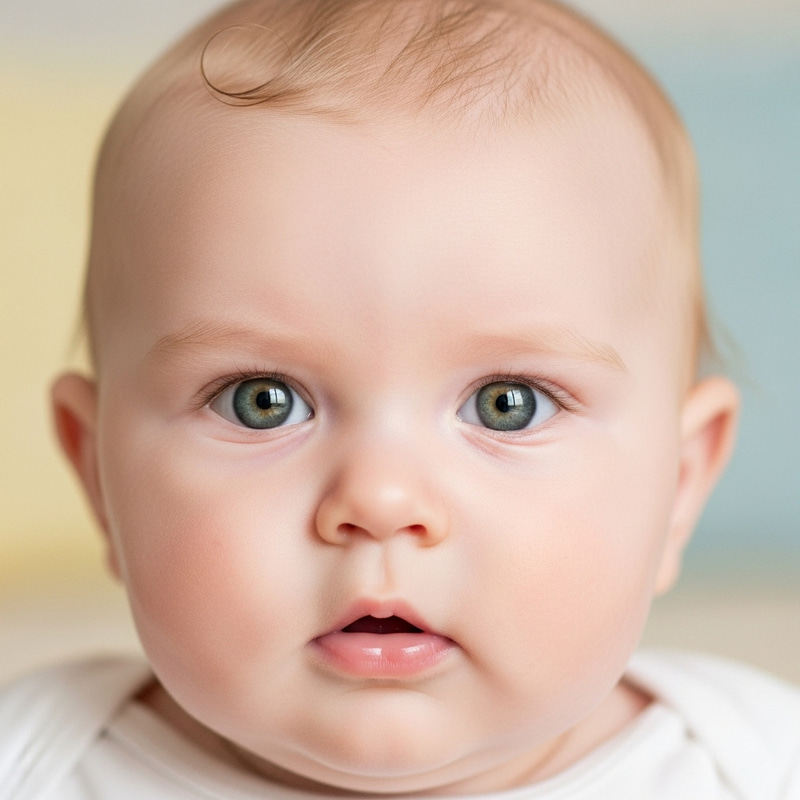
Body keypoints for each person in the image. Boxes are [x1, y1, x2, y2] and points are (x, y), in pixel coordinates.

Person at [2, 0, 799, 797]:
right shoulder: (30, 765)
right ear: (100, 478)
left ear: (679, 485)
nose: (381, 501)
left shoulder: (758, 768)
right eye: (262, 401)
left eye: (506, 404)